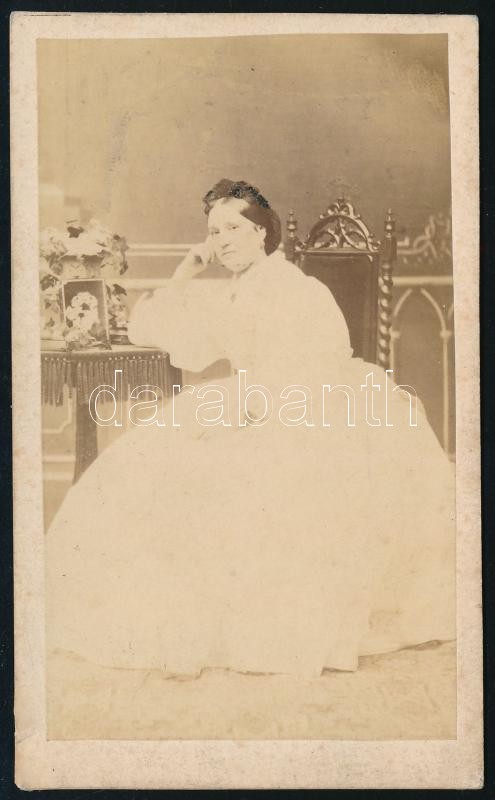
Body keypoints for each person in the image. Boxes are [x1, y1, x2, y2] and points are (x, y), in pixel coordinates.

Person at [45, 180, 455, 680]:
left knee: (230, 473)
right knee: (151, 463)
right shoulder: (236, 291)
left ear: (262, 232)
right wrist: (185, 272)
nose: (222, 241)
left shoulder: (295, 288)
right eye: (214, 232)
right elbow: (159, 329)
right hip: (250, 399)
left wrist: (243, 415)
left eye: (233, 228)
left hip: (311, 410)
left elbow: (312, 370)